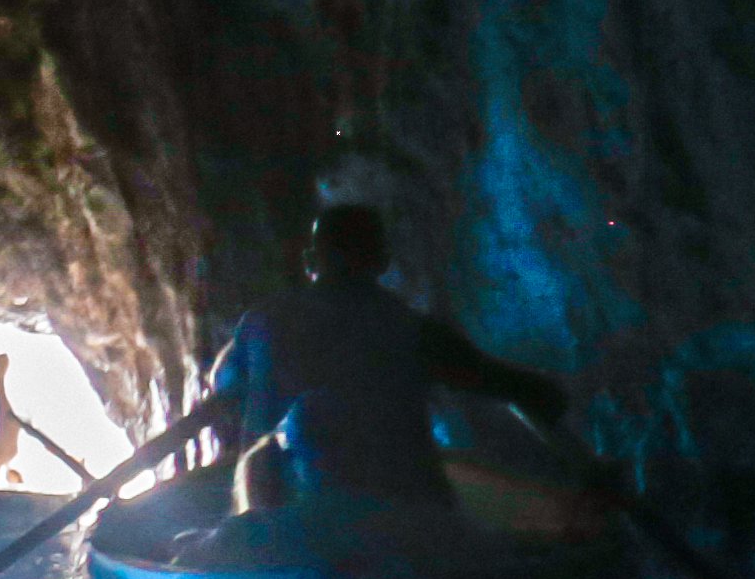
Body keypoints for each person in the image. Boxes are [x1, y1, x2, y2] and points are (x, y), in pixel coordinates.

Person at [203, 206, 567, 524]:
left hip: (281, 535)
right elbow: (531, 393)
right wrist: (590, 470)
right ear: (382, 262)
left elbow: (222, 385)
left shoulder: (261, 324)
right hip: (413, 531)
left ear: (311, 261)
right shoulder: (415, 331)